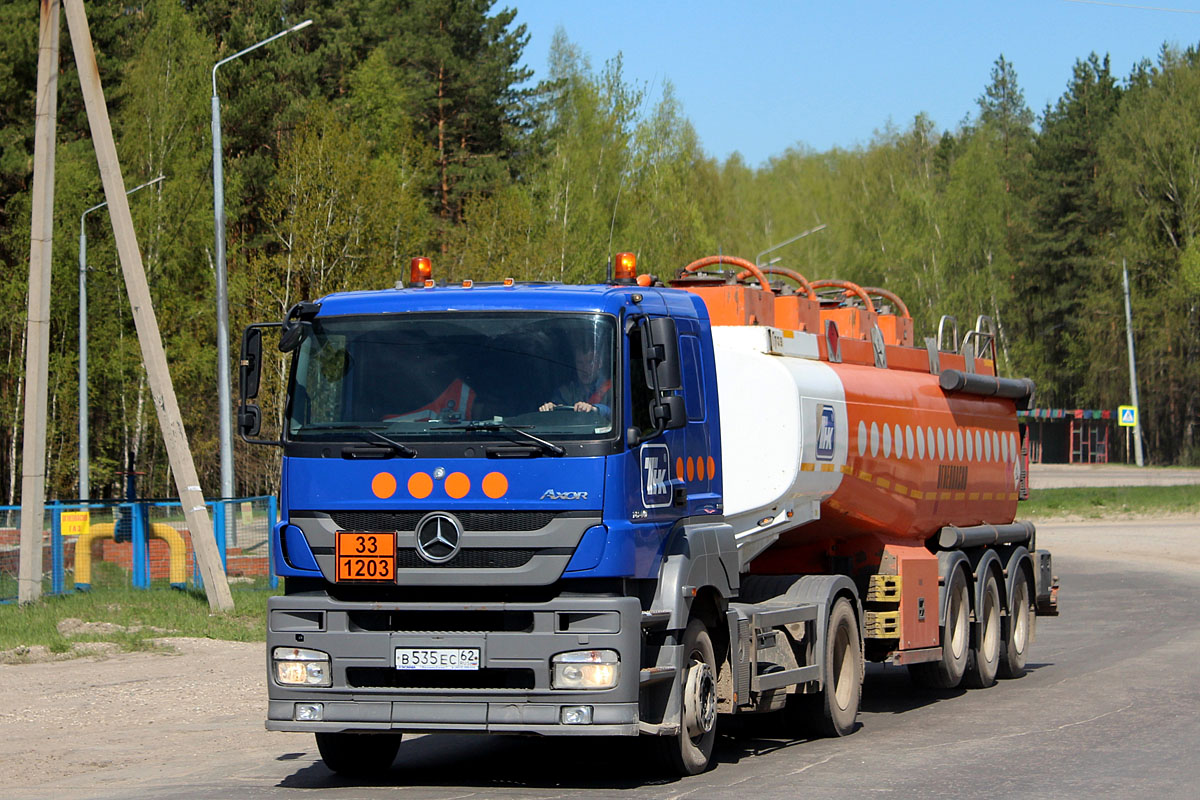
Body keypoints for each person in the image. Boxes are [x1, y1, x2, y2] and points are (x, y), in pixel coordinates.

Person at [539, 345, 612, 415]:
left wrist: (594, 409)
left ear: (599, 363)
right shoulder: (567, 391)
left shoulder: (611, 388)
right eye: (580, 363)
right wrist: (551, 407)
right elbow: (557, 405)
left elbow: (613, 412)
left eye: (590, 362)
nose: (585, 368)